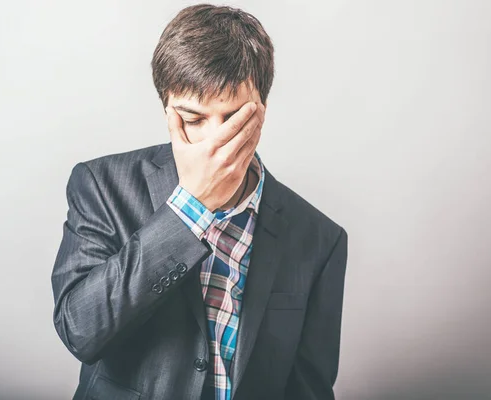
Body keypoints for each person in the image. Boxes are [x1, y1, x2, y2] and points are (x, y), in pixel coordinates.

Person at [51, 4, 348, 400]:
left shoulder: (319, 238)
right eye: (193, 120)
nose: (215, 142)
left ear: (262, 111)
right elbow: (80, 330)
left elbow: (308, 388)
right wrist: (189, 208)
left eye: (233, 119)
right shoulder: (102, 186)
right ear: (166, 110)